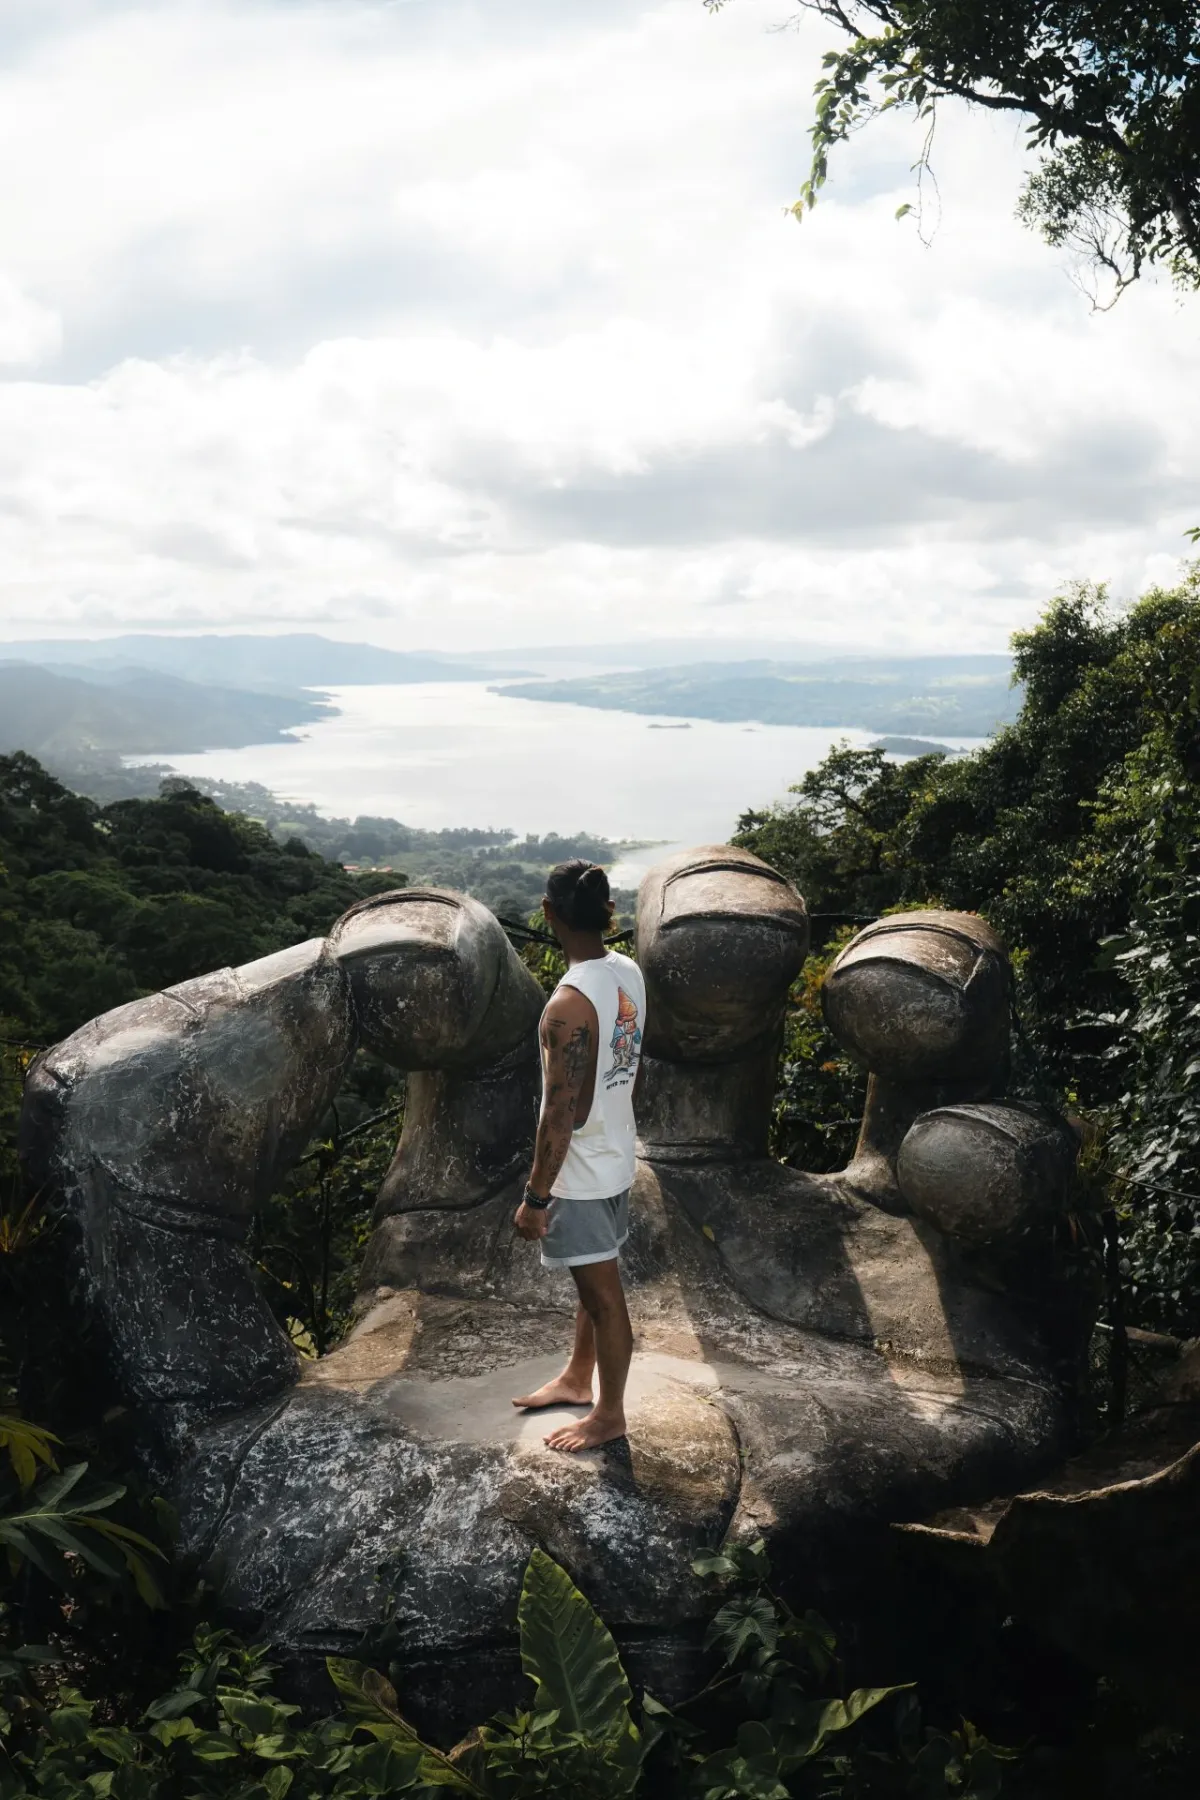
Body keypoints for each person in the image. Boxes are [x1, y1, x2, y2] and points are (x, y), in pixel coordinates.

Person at [512, 859, 646, 1451]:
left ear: (549, 914)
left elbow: (559, 1110)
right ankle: (576, 1377)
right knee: (596, 1282)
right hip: (617, 1151)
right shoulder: (626, 972)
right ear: (606, 912)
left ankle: (609, 1414)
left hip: (585, 1171)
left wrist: (536, 1198)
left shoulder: (565, 1006)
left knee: (602, 1296)